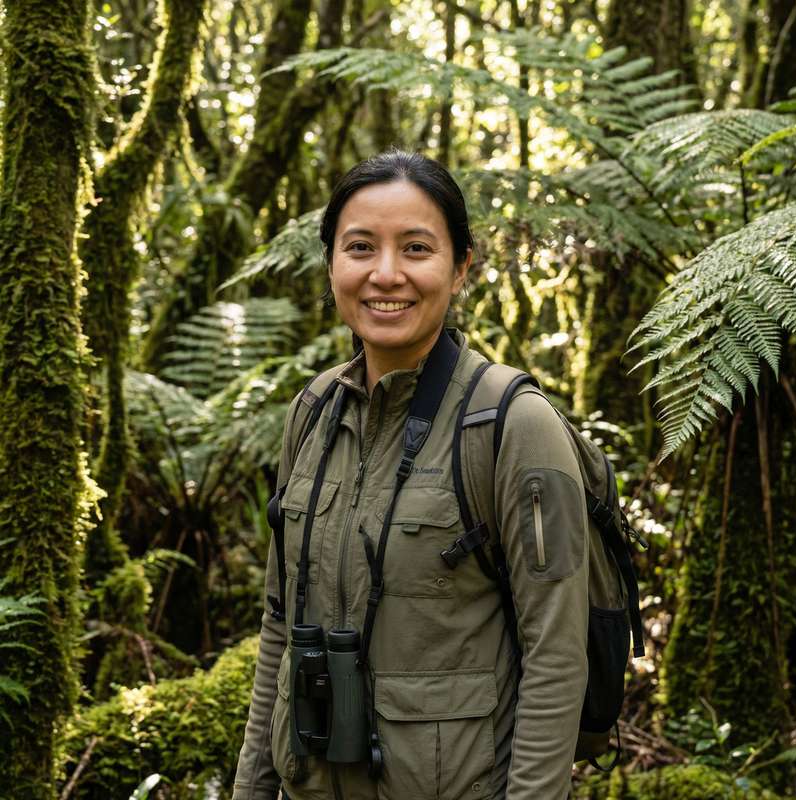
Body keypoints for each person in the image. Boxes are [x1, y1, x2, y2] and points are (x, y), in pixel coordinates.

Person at [233, 150, 589, 800]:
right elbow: (279, 631)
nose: (386, 274)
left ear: (460, 270)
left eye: (417, 248)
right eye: (361, 247)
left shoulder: (513, 424)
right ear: (332, 263)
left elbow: (556, 657)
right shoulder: (312, 415)